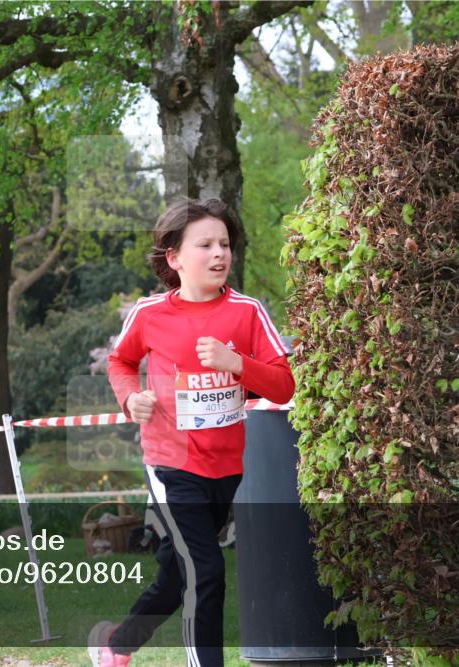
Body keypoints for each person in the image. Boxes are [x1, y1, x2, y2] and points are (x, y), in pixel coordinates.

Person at [90, 198, 296, 667]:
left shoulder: (247, 312)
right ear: (175, 257)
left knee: (176, 574)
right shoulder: (149, 314)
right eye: (205, 245)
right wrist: (131, 398)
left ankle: (115, 646)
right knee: (206, 571)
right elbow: (121, 361)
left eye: (224, 244)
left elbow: (284, 385)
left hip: (225, 468)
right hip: (170, 463)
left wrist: (236, 363)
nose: (219, 253)